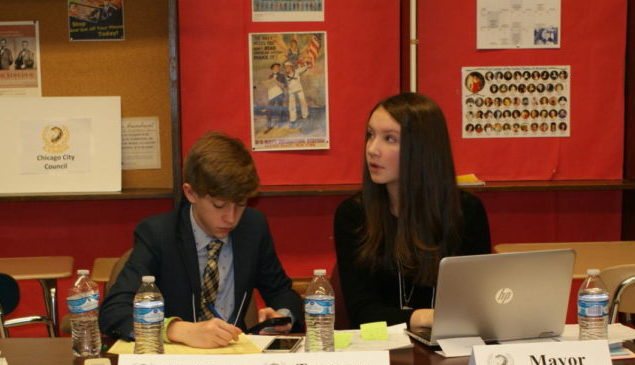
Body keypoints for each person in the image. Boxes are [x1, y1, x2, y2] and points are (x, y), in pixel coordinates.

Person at [99, 131, 303, 348]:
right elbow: (114, 312)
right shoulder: (158, 234)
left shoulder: (252, 227)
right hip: (176, 363)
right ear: (190, 193)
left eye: (241, 204)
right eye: (219, 205)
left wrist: (282, 317)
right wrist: (176, 329)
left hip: (236, 358)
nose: (231, 218)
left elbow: (282, 291)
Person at [333, 92, 491, 330]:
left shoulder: (466, 211)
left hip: (449, 348)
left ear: (422, 149)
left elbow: (476, 304)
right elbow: (363, 315)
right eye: (371, 135)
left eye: (390, 139)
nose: (372, 149)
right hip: (382, 351)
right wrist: (424, 317)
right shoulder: (353, 214)